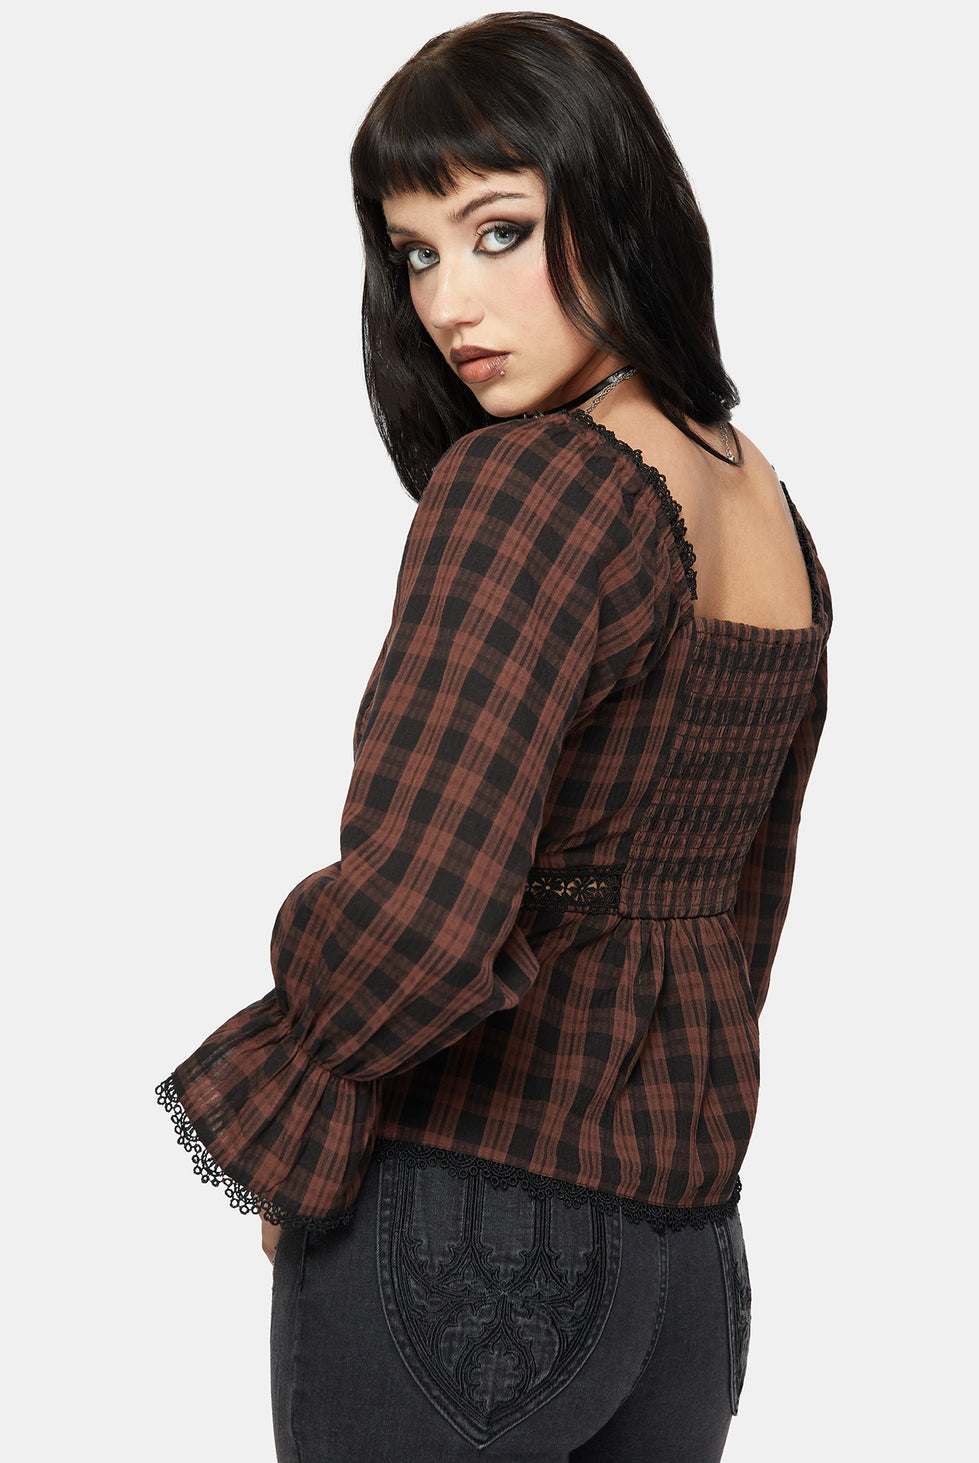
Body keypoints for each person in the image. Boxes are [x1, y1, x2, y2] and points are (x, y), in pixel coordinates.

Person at [156, 13, 831, 1461]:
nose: (450, 303)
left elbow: (421, 911)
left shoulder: (528, 485)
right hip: (689, 1265)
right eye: (414, 254)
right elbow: (749, 906)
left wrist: (301, 1099)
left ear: (617, 201)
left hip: (460, 1233)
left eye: (499, 231)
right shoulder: (764, 502)